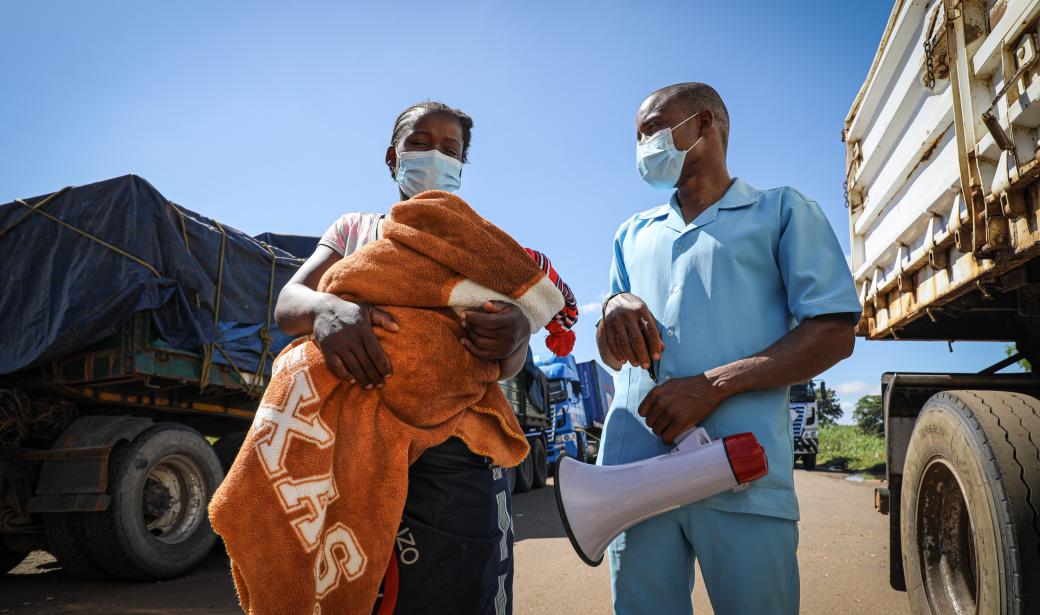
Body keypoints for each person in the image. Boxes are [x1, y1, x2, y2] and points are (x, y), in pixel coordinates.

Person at [596, 82, 861, 615]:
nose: (643, 145)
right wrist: (612, 310)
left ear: (702, 126)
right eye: (637, 137)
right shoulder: (632, 233)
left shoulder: (781, 212)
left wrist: (712, 386)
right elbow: (611, 352)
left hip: (744, 478)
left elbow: (834, 330)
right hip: (635, 483)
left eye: (652, 129)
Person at [274, 101, 530, 614]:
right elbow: (288, 304)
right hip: (356, 444)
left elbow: (506, 365)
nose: (435, 155)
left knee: (461, 591)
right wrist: (327, 309)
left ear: (461, 167)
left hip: (457, 453)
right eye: (419, 143)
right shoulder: (355, 229)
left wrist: (518, 334)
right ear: (392, 157)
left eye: (450, 149)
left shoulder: (481, 244)